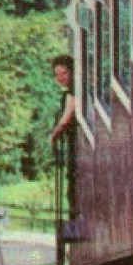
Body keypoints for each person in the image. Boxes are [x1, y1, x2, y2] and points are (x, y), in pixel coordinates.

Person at [47, 54, 78, 219]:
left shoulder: (73, 92)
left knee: (72, 184)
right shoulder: (69, 91)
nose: (61, 78)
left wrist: (53, 136)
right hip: (73, 144)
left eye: (64, 73)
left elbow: (65, 119)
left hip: (76, 145)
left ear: (72, 72)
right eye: (57, 74)